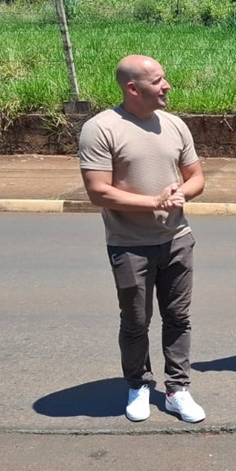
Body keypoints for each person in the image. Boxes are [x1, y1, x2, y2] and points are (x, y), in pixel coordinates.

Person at [78, 55, 207, 422]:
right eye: (158, 81)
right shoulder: (101, 128)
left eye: (165, 78)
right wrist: (153, 201)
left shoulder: (174, 125)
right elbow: (98, 192)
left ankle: (178, 389)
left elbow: (197, 176)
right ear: (133, 88)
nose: (166, 86)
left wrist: (183, 192)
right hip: (128, 243)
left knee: (178, 318)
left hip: (177, 238)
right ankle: (138, 385)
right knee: (136, 320)